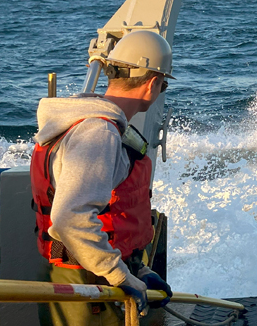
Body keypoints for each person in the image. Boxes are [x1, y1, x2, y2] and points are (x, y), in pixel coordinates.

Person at [31, 30, 175, 325]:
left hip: (90, 273)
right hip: (89, 286)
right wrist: (120, 275)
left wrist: (137, 269)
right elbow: (71, 217)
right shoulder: (99, 133)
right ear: (152, 85)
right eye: (163, 86)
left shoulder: (85, 123)